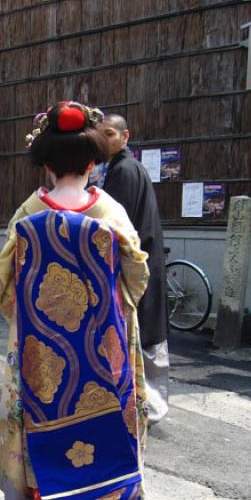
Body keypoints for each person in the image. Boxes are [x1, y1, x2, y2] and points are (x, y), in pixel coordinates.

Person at [0, 102, 150, 500]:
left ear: (45, 164)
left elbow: (5, 289)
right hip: (103, 361)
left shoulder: (27, 215)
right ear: (91, 163)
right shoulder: (109, 213)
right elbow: (134, 282)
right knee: (96, 448)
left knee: (51, 456)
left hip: (43, 365)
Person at [99, 114, 169, 423]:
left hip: (138, 266)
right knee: (146, 339)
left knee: (141, 340)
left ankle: (147, 412)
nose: (105, 140)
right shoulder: (122, 167)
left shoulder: (124, 171)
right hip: (146, 261)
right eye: (100, 135)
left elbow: (117, 231)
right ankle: (146, 409)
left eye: (110, 134)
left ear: (126, 136)